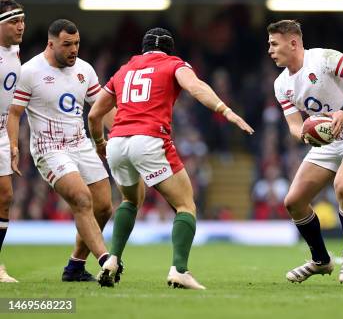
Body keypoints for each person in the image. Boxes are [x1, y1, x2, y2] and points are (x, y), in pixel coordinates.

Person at [88, 27, 254, 290]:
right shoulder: (173, 64)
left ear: (143, 49)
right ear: (169, 49)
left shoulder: (124, 69)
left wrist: (100, 143)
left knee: (130, 200)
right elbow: (196, 87)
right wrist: (227, 111)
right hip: (150, 139)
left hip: (118, 142)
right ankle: (179, 270)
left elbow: (94, 115)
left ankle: (112, 259)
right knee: (185, 205)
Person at [267, 20, 343, 284]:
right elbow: (295, 127)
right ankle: (320, 260)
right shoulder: (281, 84)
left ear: (293, 42)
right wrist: (308, 133)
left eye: (274, 44)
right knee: (293, 202)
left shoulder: (324, 58)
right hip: (327, 142)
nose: (270, 50)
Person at [7, 19, 115, 283]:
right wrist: (12, 145)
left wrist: (127, 131)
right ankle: (106, 261)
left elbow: (100, 108)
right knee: (81, 199)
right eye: (67, 44)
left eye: (76, 43)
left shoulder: (85, 70)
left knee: (104, 207)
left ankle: (75, 267)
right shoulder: (30, 71)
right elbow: (14, 112)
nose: (73, 50)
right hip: (49, 148)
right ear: (51, 43)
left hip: (81, 143)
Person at [0, 0, 25, 283]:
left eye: (22, 20)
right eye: (14, 21)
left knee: (5, 196)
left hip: (1, 131)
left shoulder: (15, 50)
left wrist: (12, 142)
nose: (21, 27)